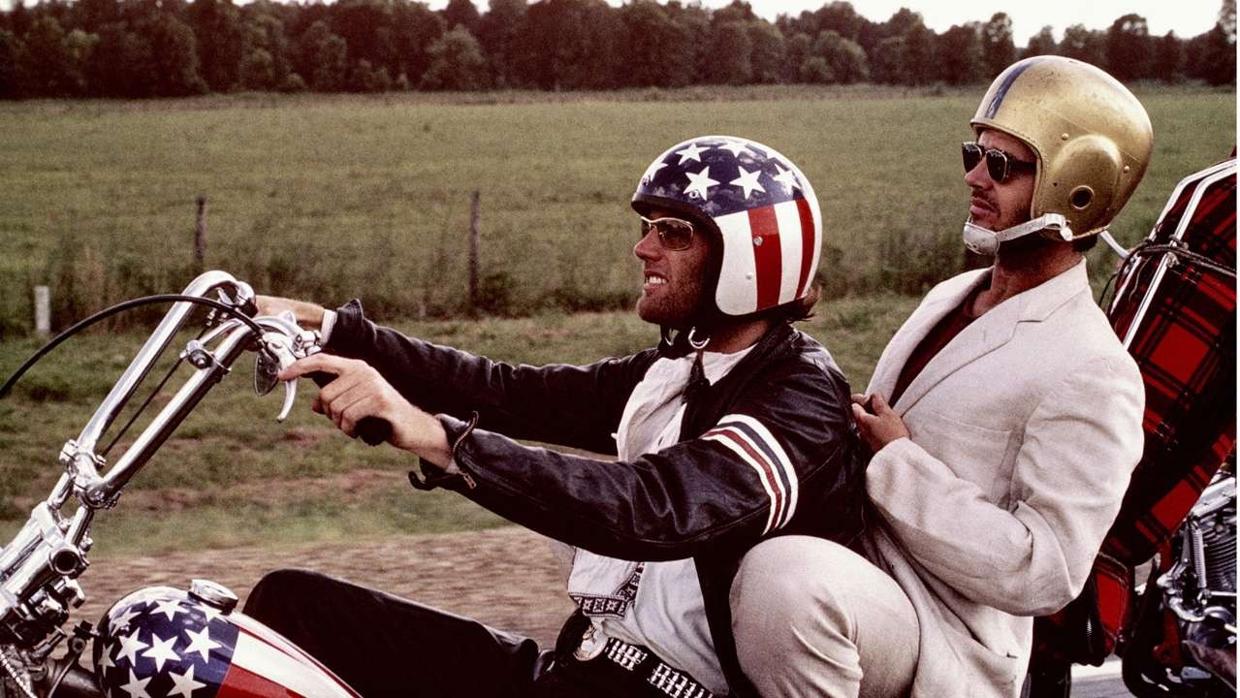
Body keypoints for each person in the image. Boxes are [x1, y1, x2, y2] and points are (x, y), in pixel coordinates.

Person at [243, 135, 866, 697]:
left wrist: (434, 437)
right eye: (648, 226)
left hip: (667, 691)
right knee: (288, 608)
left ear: (752, 256)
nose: (643, 247)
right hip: (584, 666)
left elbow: (654, 507)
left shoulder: (799, 398)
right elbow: (507, 390)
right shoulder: (684, 367)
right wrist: (332, 329)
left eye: (674, 232)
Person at [729, 56, 1153, 697]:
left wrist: (898, 460)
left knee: (786, 579)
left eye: (1003, 166)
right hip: (863, 574)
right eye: (973, 154)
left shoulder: (1092, 368)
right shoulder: (954, 294)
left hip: (942, 636)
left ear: (1078, 185)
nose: (976, 177)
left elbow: (1048, 570)